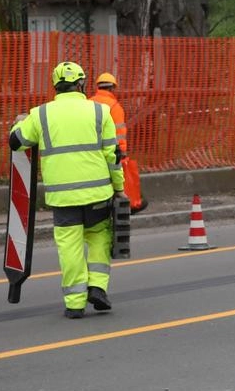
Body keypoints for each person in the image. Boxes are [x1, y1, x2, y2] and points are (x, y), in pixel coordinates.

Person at [9, 61, 124, 319]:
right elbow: (113, 156)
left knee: (70, 247)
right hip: (98, 194)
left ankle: (74, 303)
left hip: (63, 198)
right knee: (98, 239)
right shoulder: (100, 112)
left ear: (55, 86)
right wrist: (119, 188)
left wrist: (19, 123)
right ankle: (98, 288)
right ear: (81, 83)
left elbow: (16, 143)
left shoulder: (40, 114)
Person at [87, 72, 145, 212]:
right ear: (113, 88)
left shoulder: (88, 103)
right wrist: (123, 155)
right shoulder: (115, 107)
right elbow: (119, 134)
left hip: (89, 152)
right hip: (109, 151)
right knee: (114, 184)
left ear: (98, 87)